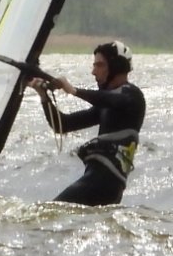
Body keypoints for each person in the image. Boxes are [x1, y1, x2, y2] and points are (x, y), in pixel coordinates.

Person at [33, 40, 145, 206]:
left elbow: (113, 100)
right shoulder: (105, 106)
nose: (93, 72)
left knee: (47, 212)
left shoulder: (132, 96)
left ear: (116, 67)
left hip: (102, 183)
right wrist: (44, 97)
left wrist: (74, 90)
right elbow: (63, 125)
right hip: (99, 183)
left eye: (99, 65)